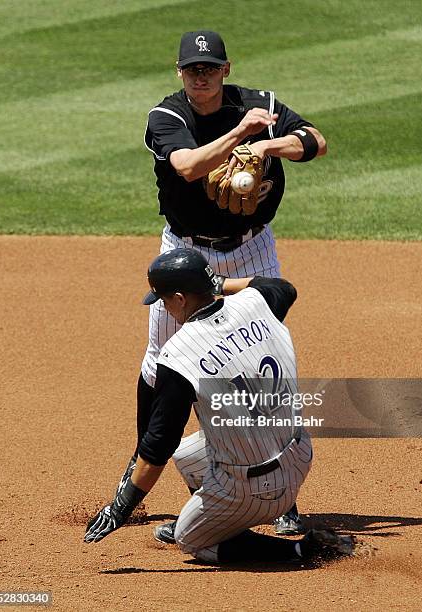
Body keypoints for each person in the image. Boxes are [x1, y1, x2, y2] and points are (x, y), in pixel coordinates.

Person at [128, 29, 327, 534]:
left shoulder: (260, 104)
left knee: (258, 351)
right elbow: (188, 166)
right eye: (193, 69)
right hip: (184, 255)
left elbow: (315, 141)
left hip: (250, 246)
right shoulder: (168, 116)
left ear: (226, 69)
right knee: (161, 360)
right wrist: (242, 137)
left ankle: (281, 497)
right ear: (179, 72)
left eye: (210, 68)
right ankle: (142, 465)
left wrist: (270, 148)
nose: (202, 76)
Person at [85, 249, 358, 565]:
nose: (163, 306)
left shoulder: (178, 356)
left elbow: (158, 444)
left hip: (261, 490)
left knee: (190, 540)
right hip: (299, 451)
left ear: (180, 298)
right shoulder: (256, 303)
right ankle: (218, 520)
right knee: (188, 458)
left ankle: (300, 550)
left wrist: (120, 508)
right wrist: (217, 283)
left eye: (163, 299)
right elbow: (284, 287)